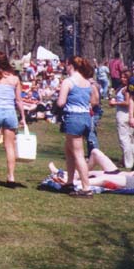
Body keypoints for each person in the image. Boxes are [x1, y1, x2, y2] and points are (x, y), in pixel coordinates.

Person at [57, 56, 100, 198]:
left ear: (70, 65)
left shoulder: (68, 82)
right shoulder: (88, 82)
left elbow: (61, 102)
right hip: (86, 117)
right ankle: (69, 182)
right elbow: (95, 101)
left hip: (73, 118)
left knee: (78, 154)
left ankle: (86, 188)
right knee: (69, 150)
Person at [0, 51, 26, 184]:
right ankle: (11, 176)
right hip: (10, 112)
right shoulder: (15, 79)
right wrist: (23, 117)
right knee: (10, 146)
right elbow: (19, 100)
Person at [110, 80, 133, 170]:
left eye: (125, 77)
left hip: (124, 115)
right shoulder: (121, 87)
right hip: (128, 115)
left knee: (124, 140)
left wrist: (115, 103)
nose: (122, 79)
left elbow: (127, 102)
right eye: (121, 77)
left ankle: (128, 163)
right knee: (130, 140)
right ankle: (126, 160)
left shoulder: (127, 89)